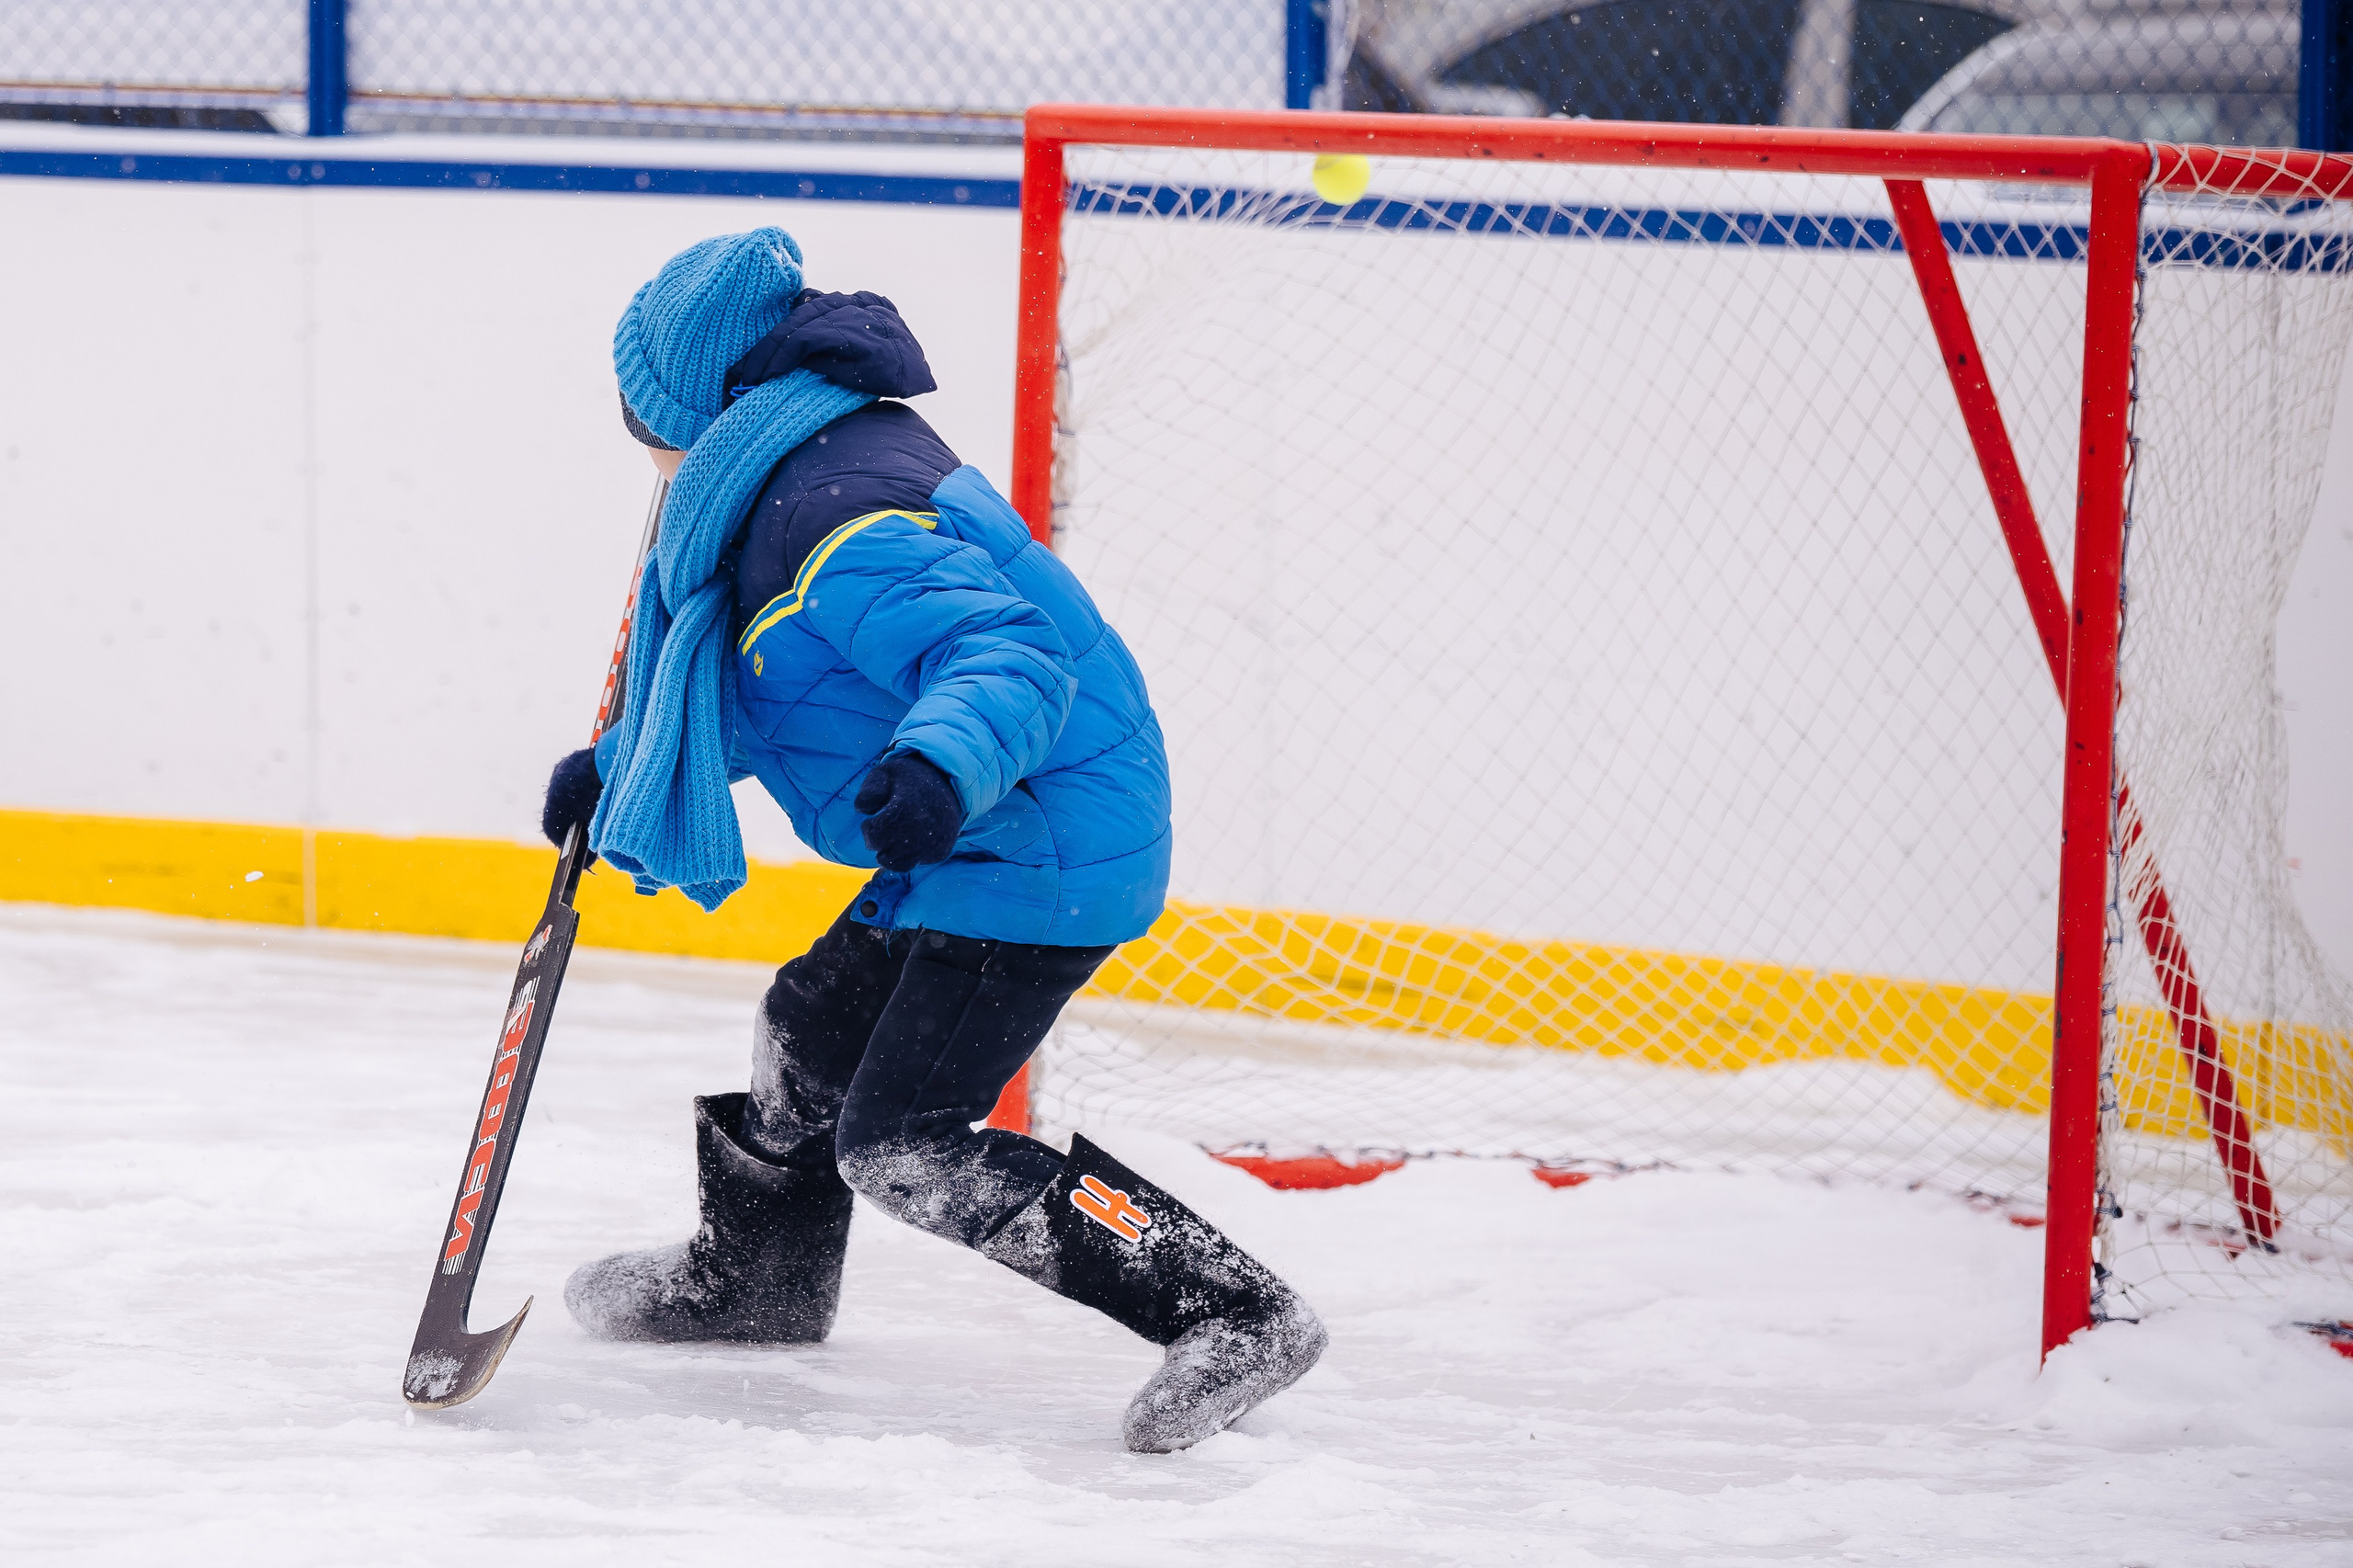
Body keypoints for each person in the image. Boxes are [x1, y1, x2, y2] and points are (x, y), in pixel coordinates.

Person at [540, 227, 1325, 1453]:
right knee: (804, 1026)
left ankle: (1230, 1305)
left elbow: (1006, 655)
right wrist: (622, 768)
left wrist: (939, 763)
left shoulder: (831, 516)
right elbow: (789, 693)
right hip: (978, 831)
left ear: (701, 400)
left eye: (640, 411)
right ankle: (758, 1281)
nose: (636, 440)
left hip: (1039, 839)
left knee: (901, 1145)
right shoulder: (785, 478)